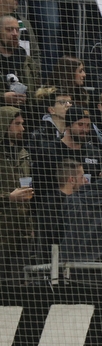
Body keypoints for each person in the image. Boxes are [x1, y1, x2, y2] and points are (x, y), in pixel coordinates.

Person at [0, 105, 31, 280]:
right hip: (3, 230)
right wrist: (8, 197)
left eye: (22, 123)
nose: (22, 128)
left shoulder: (23, 154)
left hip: (22, 229)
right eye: (17, 124)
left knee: (20, 281)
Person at [0, 14, 37, 110]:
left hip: (26, 116)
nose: (15, 33)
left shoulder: (26, 60)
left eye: (17, 30)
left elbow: (34, 91)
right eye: (9, 30)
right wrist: (3, 98)